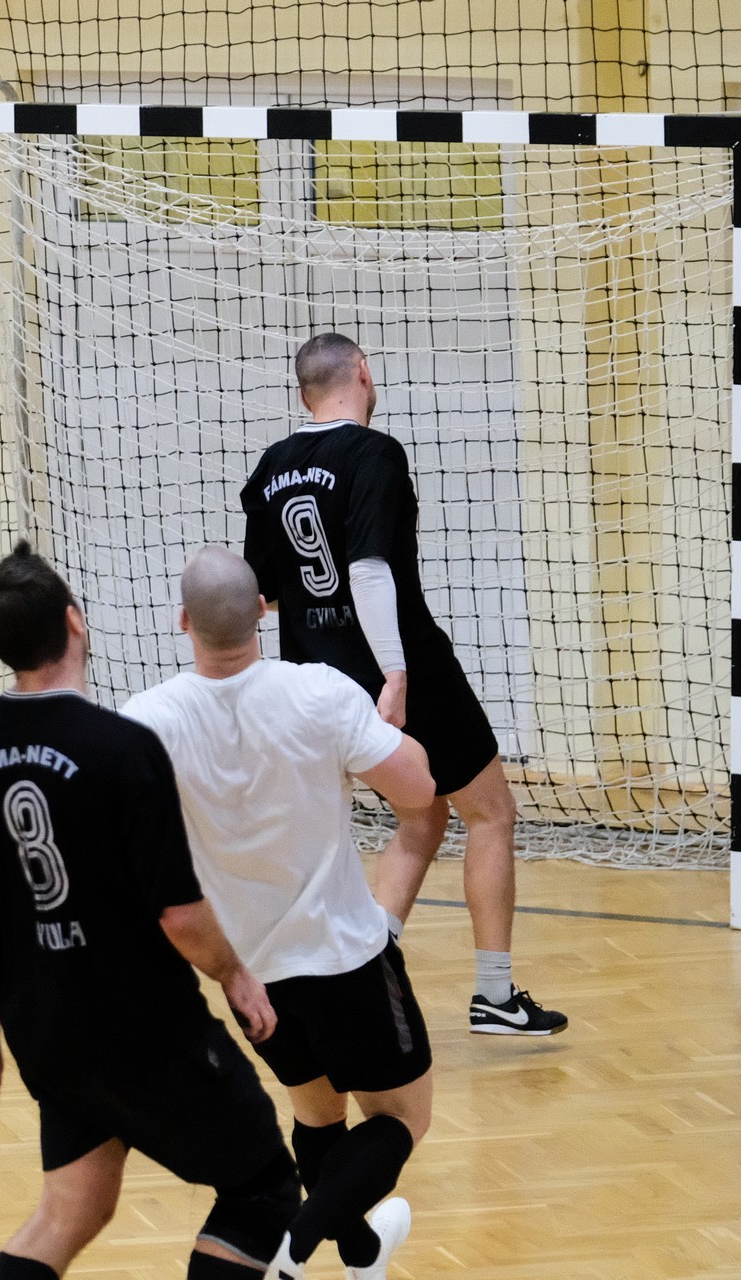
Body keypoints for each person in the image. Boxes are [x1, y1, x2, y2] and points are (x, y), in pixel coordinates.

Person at [0, 542, 302, 1280]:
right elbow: (179, 915)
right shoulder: (121, 748)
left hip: (44, 1029)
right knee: (264, 1191)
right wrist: (235, 974)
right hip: (142, 1028)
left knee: (73, 1209)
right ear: (75, 622)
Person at [123, 546, 440, 1280]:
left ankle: (361, 1256)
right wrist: (390, 732)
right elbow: (419, 791)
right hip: (344, 958)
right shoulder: (319, 692)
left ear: (183, 622)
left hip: (250, 974)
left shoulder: (147, 722)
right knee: (402, 1120)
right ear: (264, 611)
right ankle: (292, 1252)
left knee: (318, 1114)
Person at [239, 332, 567, 1037]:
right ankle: (494, 995)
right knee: (491, 813)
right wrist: (395, 671)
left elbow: (262, 593)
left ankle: (372, 961)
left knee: (422, 816)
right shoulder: (374, 453)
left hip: (316, 679)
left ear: (303, 392)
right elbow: (368, 569)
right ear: (363, 372)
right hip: (402, 672)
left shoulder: (271, 468)